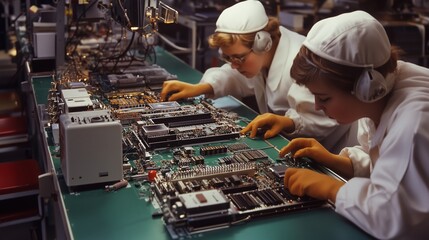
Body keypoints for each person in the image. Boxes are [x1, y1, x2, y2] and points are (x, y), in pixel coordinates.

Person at [280, 10, 429, 239]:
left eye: (325, 98)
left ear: (365, 88)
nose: (318, 106)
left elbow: (396, 218)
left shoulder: (414, 121)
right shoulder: (385, 86)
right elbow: (385, 162)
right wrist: (336, 161)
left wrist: (333, 188)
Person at [160, 0, 357, 153]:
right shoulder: (260, 57)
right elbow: (235, 75)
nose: (234, 65)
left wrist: (288, 122)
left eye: (239, 58)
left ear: (263, 43)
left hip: (334, 151)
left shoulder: (299, 60)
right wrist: (200, 88)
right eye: (227, 58)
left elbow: (322, 117)